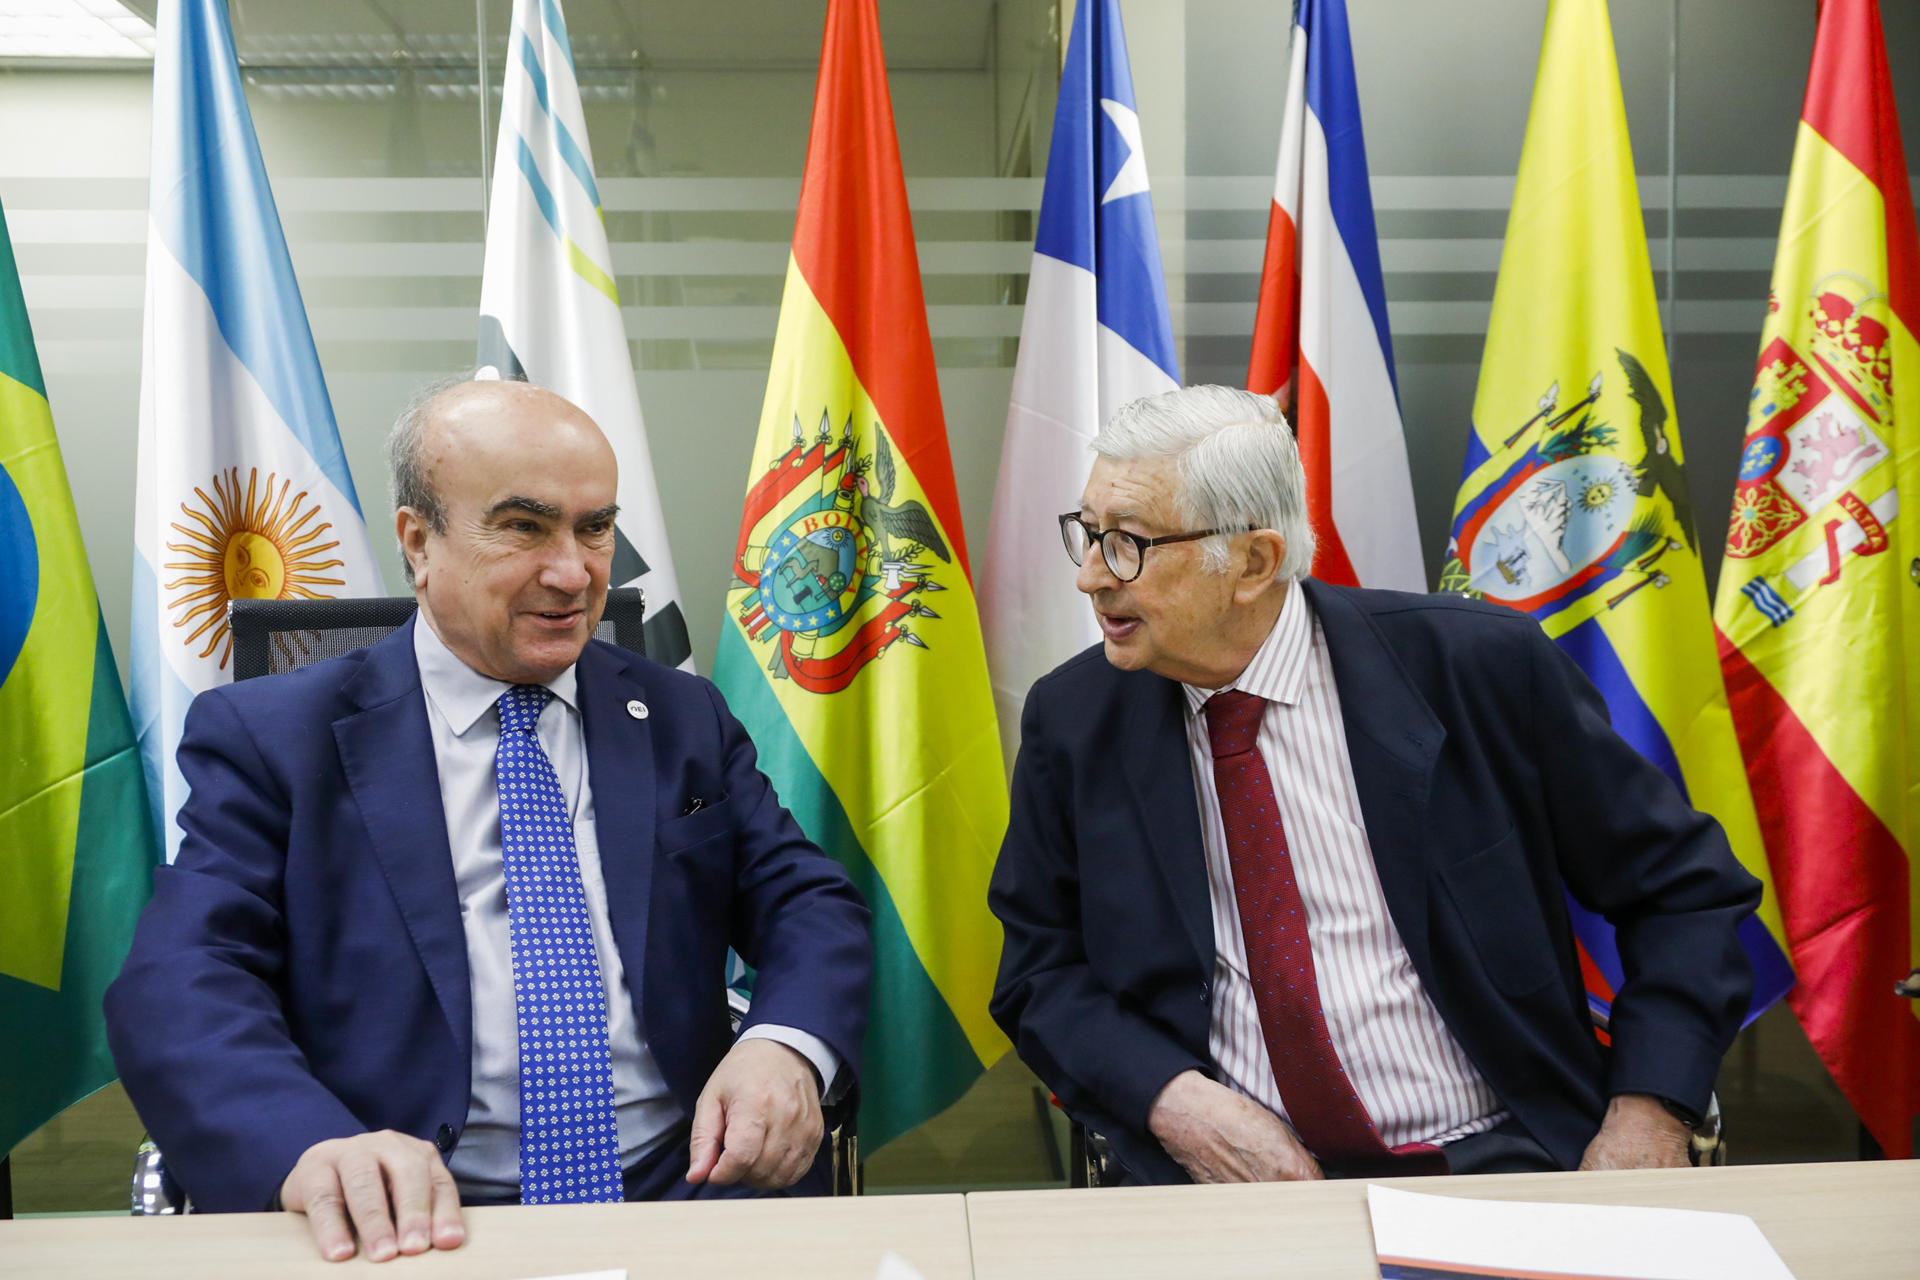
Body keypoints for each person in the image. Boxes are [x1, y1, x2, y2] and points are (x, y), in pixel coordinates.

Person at [107, 378, 872, 1260]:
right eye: (523, 527)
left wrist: (783, 1046)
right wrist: (311, 1146)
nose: (574, 572)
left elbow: (807, 902)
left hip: (690, 1188)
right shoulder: (277, 739)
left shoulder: (679, 715)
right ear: (418, 541)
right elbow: (182, 976)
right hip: (412, 1217)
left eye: (594, 528)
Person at [987, 385, 1760, 1186]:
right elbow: (1041, 973)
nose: (1090, 577)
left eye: (1127, 544)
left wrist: (1648, 1110)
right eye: (1089, 534)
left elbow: (1685, 893)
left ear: (1253, 563)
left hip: (1502, 1156)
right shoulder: (1076, 719)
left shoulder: (1477, 670)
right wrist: (1174, 1102)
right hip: (1221, 1181)